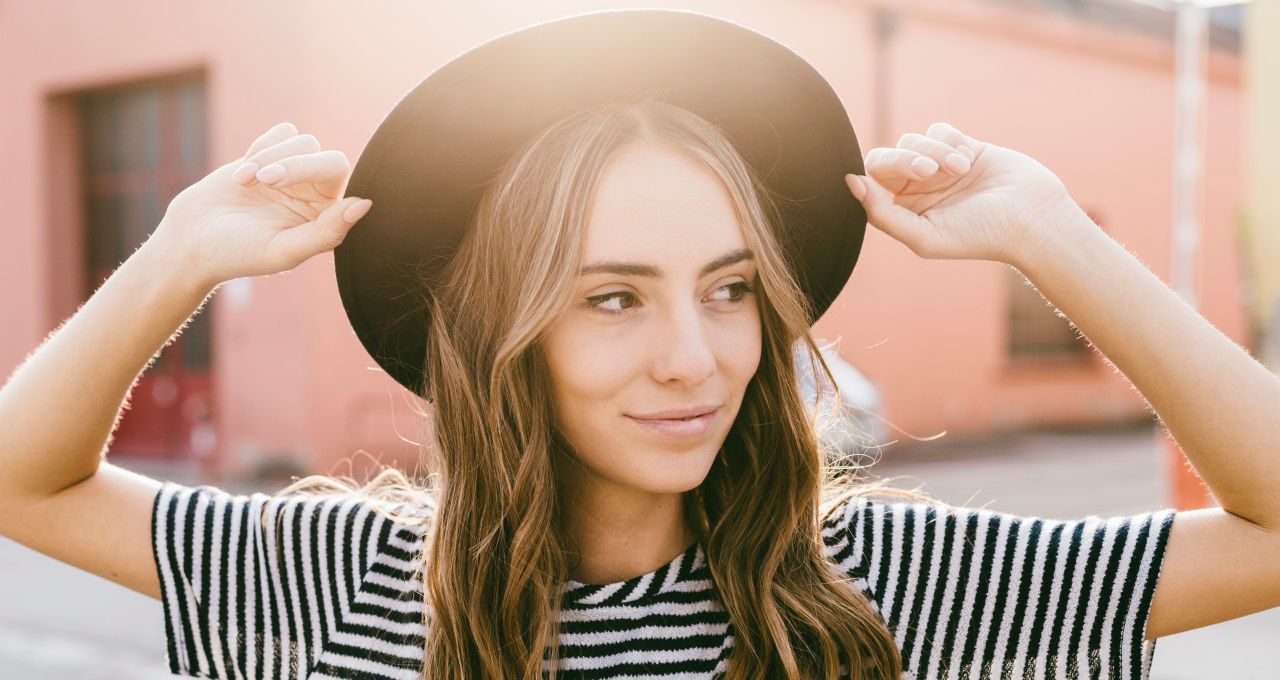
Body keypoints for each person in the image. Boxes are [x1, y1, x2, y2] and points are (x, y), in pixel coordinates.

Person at [1, 9, 1277, 680]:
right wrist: (174, 254)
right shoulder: (342, 574)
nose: (697, 356)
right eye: (611, 296)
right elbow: (24, 483)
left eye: (727, 289)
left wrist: (1054, 237)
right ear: (503, 331)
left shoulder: (878, 581)